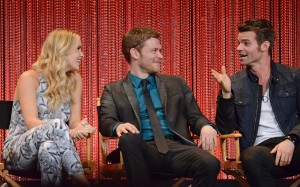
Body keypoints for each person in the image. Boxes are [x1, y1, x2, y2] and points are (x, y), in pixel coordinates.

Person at [99, 27, 220, 187]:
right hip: (142, 150)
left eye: (160, 50)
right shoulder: (113, 89)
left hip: (176, 149)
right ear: (135, 53)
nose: (160, 56)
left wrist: (206, 126)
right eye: (154, 51)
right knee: (128, 139)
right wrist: (118, 126)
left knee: (211, 163)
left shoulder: (176, 83)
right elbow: (106, 121)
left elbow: (195, 116)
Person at [212, 19, 300, 186]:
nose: (238, 48)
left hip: (294, 146)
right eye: (238, 43)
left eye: (246, 43)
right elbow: (225, 129)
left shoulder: (293, 77)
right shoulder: (234, 83)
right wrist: (226, 93)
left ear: (264, 46)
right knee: (251, 157)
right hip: (261, 151)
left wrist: (291, 139)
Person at [2, 29, 96, 187]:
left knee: (49, 147)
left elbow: (74, 122)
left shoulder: (75, 80)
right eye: (78, 49)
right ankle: (81, 181)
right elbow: (31, 122)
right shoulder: (29, 78)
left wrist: (80, 127)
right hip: (18, 152)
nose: (82, 55)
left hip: (54, 147)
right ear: (62, 51)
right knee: (57, 123)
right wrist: (67, 132)